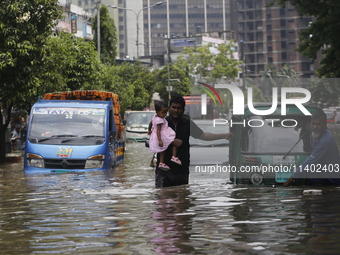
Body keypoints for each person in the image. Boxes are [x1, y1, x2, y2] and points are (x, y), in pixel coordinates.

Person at [155, 96, 233, 188]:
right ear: (169, 108)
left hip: (182, 170)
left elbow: (203, 136)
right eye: (173, 107)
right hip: (164, 171)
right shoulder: (161, 122)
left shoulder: (187, 123)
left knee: (182, 197)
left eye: (179, 108)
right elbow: (154, 139)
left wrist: (224, 135)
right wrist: (171, 141)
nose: (176, 110)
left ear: (183, 110)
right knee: (162, 198)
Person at [284, 109, 340, 186]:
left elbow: (311, 162)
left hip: (329, 183)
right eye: (313, 124)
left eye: (318, 124)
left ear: (325, 124)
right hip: (319, 180)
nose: (315, 127)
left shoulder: (326, 140)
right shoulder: (316, 134)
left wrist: (292, 178)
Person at [148, 101, 182, 171]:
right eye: (163, 112)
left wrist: (149, 130)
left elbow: (150, 124)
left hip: (160, 135)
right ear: (157, 111)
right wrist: (160, 140)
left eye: (166, 112)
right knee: (173, 143)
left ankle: (161, 162)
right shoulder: (159, 120)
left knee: (163, 149)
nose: (165, 114)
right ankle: (174, 157)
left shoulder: (154, 117)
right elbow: (158, 130)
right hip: (162, 135)